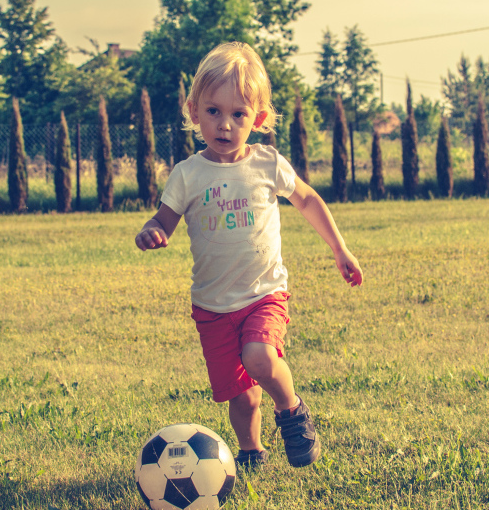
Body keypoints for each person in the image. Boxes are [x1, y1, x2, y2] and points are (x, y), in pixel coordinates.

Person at [134, 41, 363, 469]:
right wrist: (152, 232)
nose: (225, 125)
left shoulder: (266, 164)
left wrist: (339, 247)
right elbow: (163, 220)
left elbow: (309, 200)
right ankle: (251, 451)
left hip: (263, 292)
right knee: (239, 393)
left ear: (256, 119)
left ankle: (292, 411)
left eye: (238, 114)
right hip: (212, 305)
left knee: (259, 357)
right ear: (193, 111)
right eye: (213, 111)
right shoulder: (187, 175)